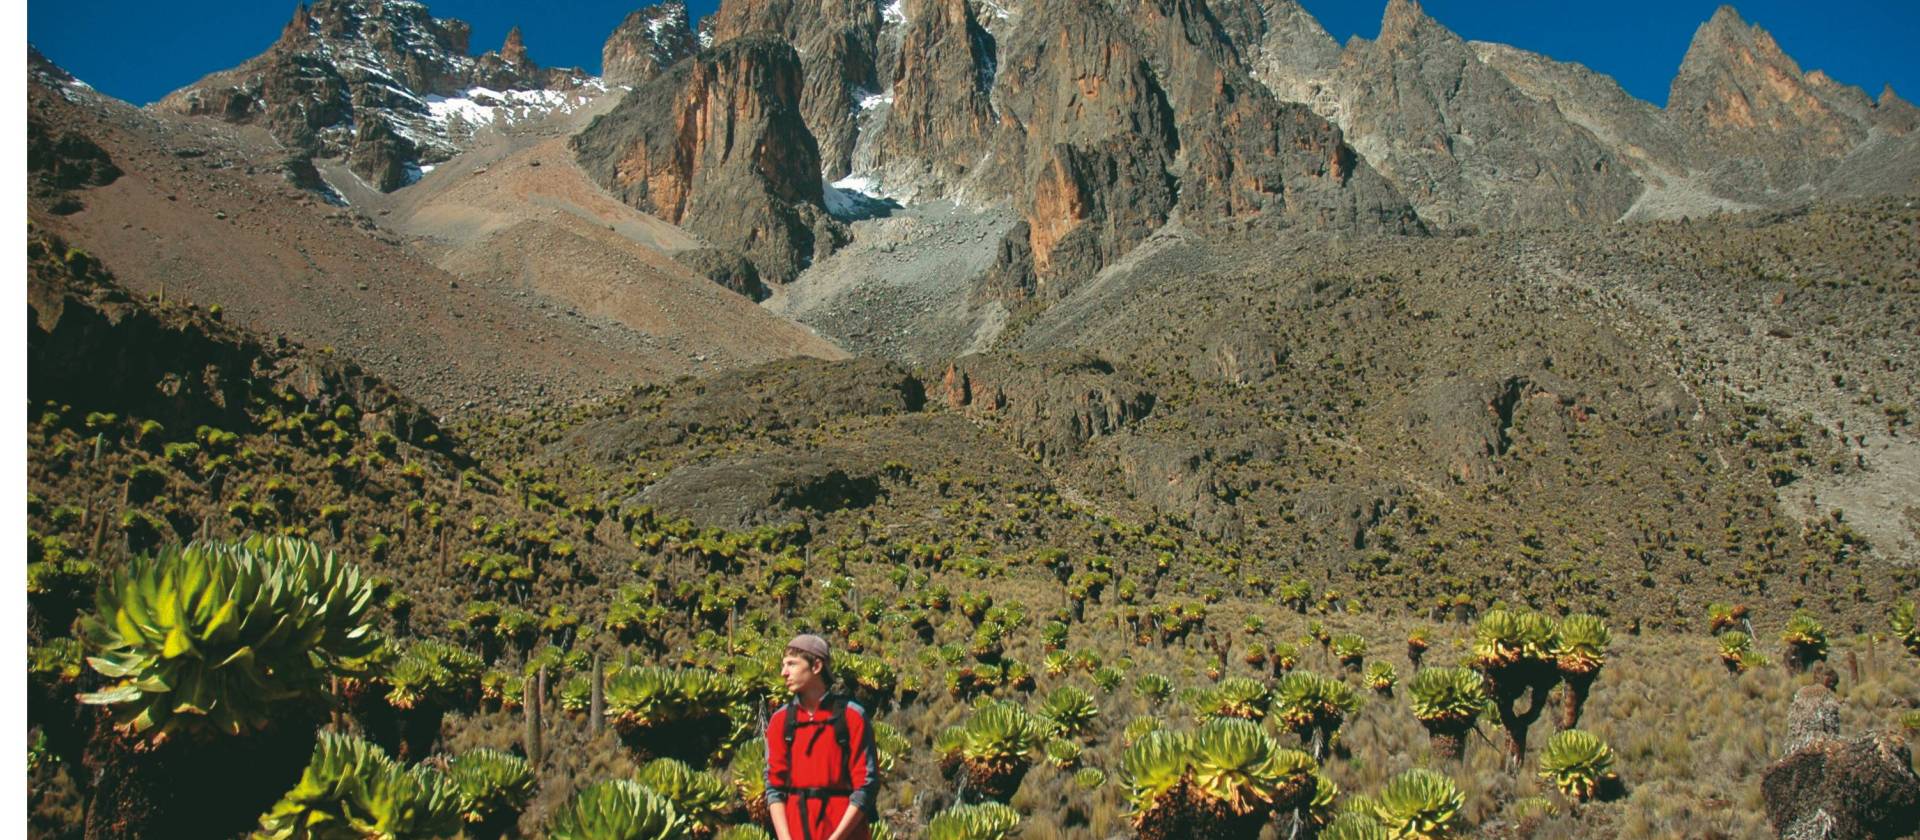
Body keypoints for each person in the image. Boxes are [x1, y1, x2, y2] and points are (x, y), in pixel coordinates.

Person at [765, 634, 879, 840]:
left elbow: (866, 786)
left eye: (791, 664)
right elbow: (774, 787)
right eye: (783, 665)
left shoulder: (852, 717)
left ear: (816, 666)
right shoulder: (780, 721)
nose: (783, 672)